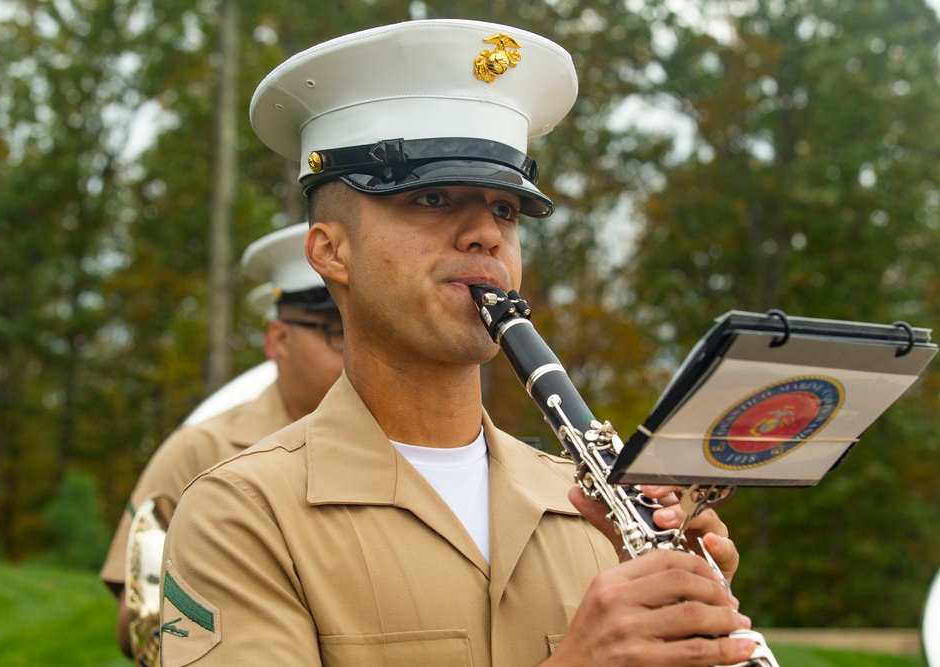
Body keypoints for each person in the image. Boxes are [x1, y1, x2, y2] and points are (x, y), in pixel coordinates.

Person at [160, 19, 757, 667]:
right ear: (331, 250)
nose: (484, 233)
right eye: (433, 197)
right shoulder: (242, 514)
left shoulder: (591, 513)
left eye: (505, 209)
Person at [100, 222, 344, 658]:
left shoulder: (406, 444)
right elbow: (134, 618)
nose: (358, 349)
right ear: (278, 340)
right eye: (338, 332)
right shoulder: (198, 449)